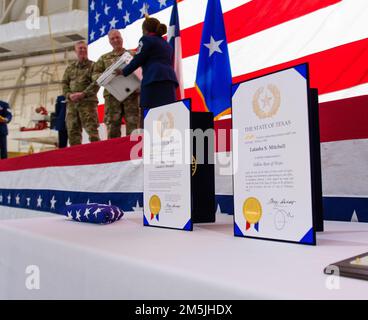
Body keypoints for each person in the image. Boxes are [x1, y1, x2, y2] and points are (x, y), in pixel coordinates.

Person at [122, 17, 178, 118]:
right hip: (169, 80)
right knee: (169, 114)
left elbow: (138, 59)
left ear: (145, 30)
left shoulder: (146, 39)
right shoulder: (166, 44)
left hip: (153, 80)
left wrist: (123, 71)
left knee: (150, 115)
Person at [93, 29, 140, 138]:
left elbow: (141, 70)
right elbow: (95, 76)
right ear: (109, 42)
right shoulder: (104, 58)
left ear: (122, 38)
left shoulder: (132, 54)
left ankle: (133, 152)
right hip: (112, 97)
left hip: (131, 94)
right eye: (112, 39)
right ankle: (114, 153)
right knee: (113, 127)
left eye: (117, 37)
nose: (115, 40)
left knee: (133, 126)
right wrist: (108, 75)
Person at [62, 41, 100, 146]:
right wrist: (69, 95)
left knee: (93, 132)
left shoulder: (94, 66)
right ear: (76, 51)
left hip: (88, 104)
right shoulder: (70, 68)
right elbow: (64, 84)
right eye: (80, 48)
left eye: (84, 48)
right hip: (72, 105)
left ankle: (99, 156)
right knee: (73, 132)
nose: (83, 50)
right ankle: (76, 159)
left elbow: (96, 83)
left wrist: (83, 94)